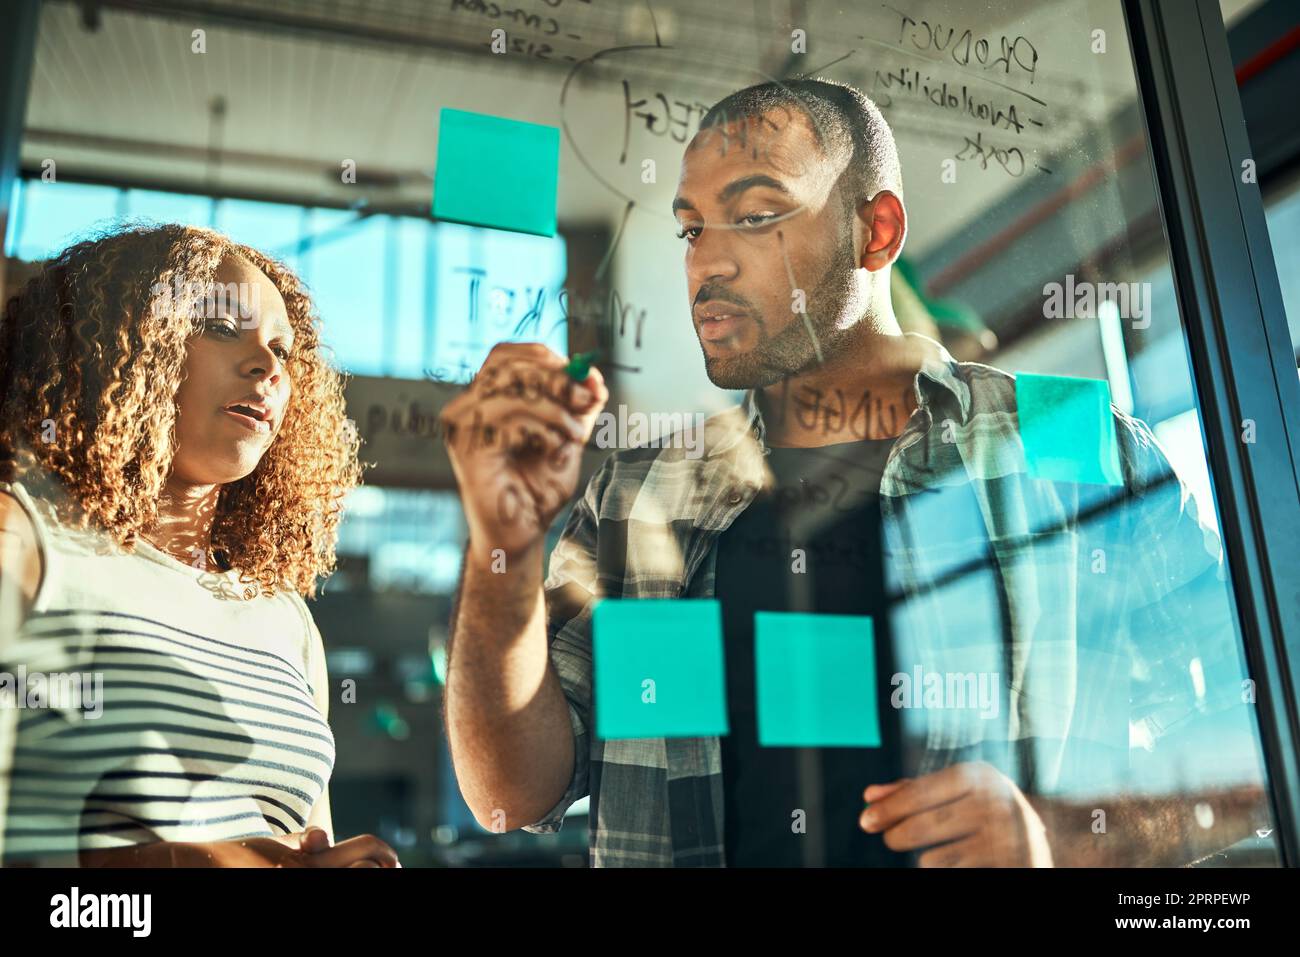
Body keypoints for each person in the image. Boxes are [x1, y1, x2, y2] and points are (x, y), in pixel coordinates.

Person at [440, 79, 1269, 867]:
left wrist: (1062, 837)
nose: (707, 266)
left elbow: (1256, 752)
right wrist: (498, 547)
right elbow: (510, 795)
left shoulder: (1078, 449)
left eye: (757, 215)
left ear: (876, 232)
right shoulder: (639, 493)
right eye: (692, 228)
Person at [0, 223, 398, 867]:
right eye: (220, 327)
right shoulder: (28, 543)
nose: (266, 366)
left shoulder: (285, 621)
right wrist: (171, 865)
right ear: (122, 347)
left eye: (282, 350)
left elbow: (303, 839)